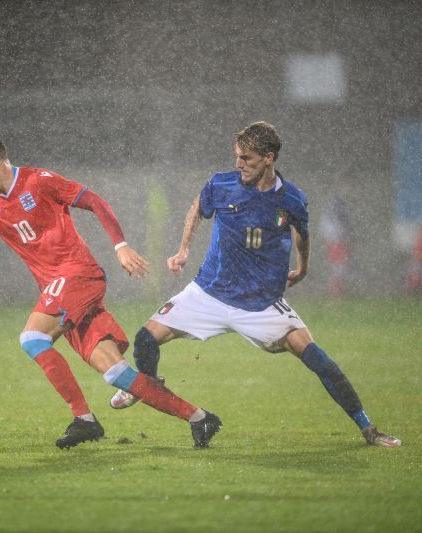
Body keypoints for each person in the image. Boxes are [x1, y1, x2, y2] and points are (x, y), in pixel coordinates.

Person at [0, 132, 221, 449]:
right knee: (117, 374)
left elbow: (93, 200)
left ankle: (84, 420)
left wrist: (120, 245)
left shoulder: (39, 181)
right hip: (62, 290)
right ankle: (199, 417)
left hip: (78, 275)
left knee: (32, 338)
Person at [110, 122, 402, 448]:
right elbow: (197, 208)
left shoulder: (291, 199)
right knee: (145, 338)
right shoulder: (222, 185)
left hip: (261, 303)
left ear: (268, 158)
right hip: (209, 293)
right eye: (237, 156)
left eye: (246, 158)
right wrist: (183, 250)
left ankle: (368, 429)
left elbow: (302, 235)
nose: (239, 164)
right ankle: (148, 384)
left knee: (319, 360)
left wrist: (302, 269)